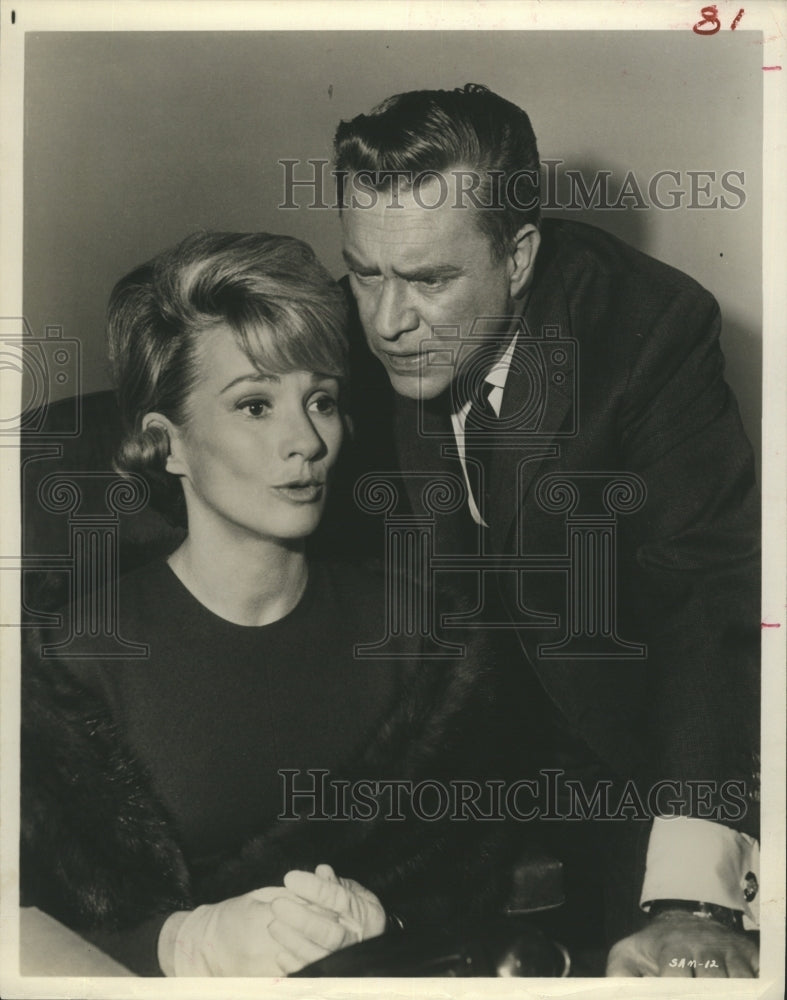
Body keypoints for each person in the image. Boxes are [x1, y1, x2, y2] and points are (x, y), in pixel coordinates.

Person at [328, 84, 761, 977]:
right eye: (365, 271)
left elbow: (705, 606)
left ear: (518, 255)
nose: (384, 321)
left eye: (428, 280)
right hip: (437, 739)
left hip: (627, 742)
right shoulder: (352, 320)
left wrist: (690, 896)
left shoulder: (650, 332)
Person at [20, 231, 524, 976]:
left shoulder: (424, 640)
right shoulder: (73, 665)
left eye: (320, 399)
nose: (306, 440)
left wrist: (393, 921)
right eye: (254, 405)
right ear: (169, 445)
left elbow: (475, 892)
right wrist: (178, 946)